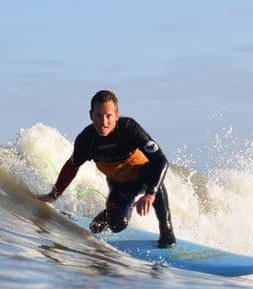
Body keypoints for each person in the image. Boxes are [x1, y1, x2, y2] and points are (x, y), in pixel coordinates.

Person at [38, 90, 176, 248]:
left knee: (155, 178)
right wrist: (53, 195)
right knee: (111, 226)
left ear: (116, 115)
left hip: (145, 178)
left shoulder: (129, 128)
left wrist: (151, 193)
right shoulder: (87, 140)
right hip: (120, 187)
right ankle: (112, 214)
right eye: (98, 116)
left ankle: (167, 234)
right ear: (91, 115)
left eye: (108, 116)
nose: (103, 122)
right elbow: (72, 166)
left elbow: (161, 160)